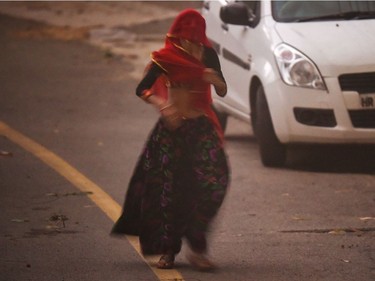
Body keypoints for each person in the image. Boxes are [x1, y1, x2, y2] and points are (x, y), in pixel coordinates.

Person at [111, 9, 230, 270]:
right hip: (170, 132)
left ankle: (197, 243)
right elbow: (141, 88)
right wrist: (162, 105)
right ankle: (168, 251)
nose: (188, 45)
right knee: (168, 190)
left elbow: (222, 88)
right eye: (183, 39)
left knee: (216, 182)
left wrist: (215, 80)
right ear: (175, 36)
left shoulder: (208, 55)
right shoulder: (165, 58)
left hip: (202, 129)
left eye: (194, 40)